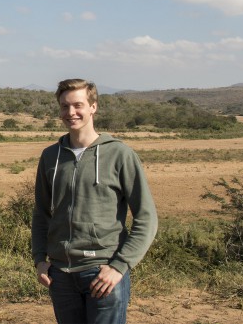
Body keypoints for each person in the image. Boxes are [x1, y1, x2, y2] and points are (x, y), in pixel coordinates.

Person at [31, 79, 158, 324]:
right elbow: (41, 213)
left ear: (93, 107)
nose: (71, 113)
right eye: (64, 106)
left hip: (102, 272)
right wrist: (39, 261)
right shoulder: (50, 156)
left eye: (78, 105)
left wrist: (119, 266)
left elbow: (146, 217)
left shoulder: (120, 154)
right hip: (61, 276)